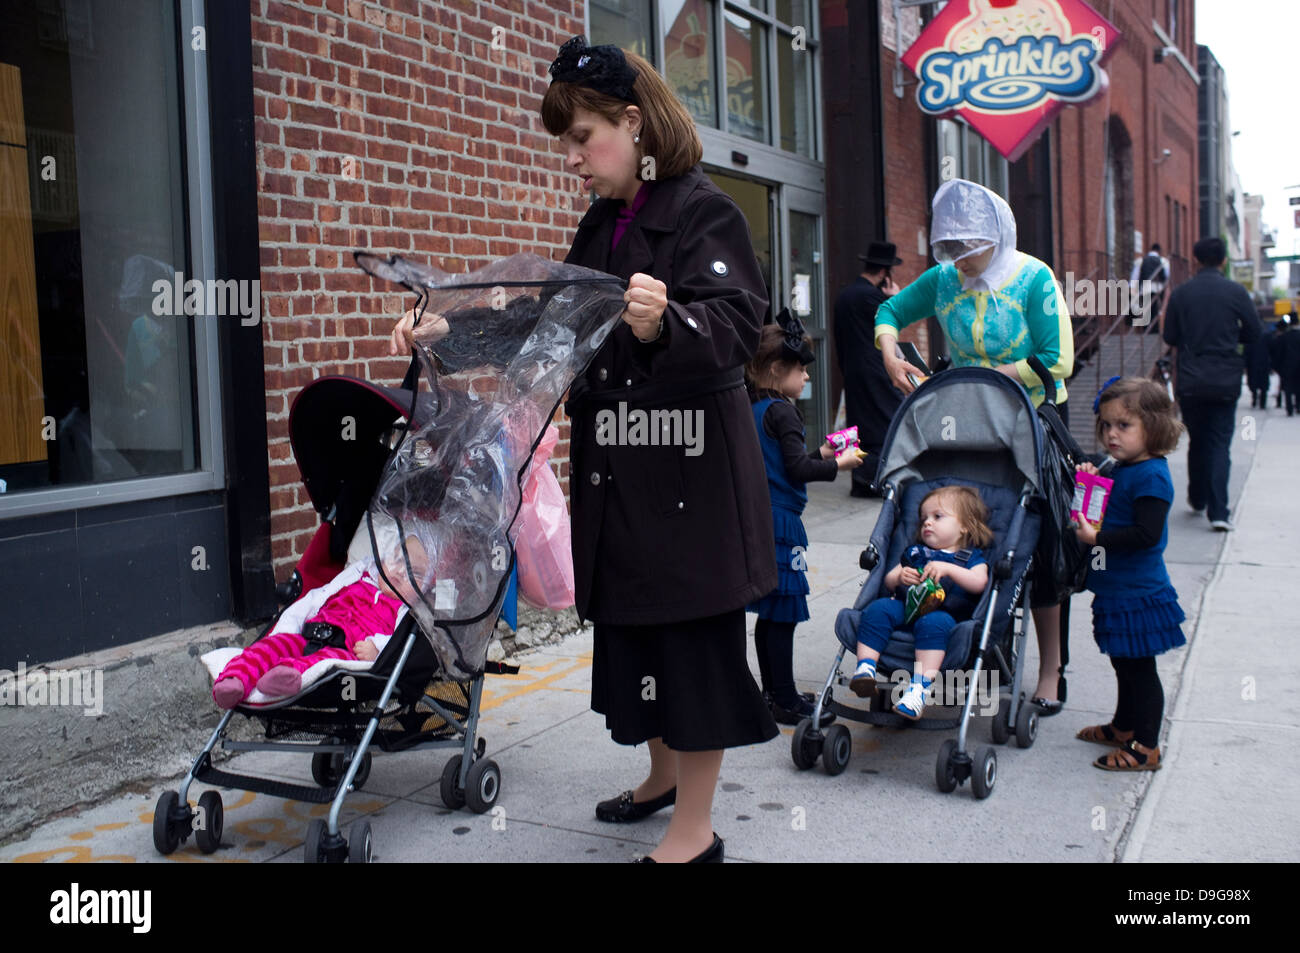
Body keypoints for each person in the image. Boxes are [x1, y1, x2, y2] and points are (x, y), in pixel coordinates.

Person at [393, 36, 776, 863]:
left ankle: (696, 828)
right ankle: (662, 775)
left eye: (582, 138)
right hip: (624, 472)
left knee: (691, 642)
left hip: (690, 476)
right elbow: (547, 323)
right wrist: (447, 331)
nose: (572, 158)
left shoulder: (705, 213)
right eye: (566, 142)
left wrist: (667, 320)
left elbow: (743, 325)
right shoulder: (603, 223)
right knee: (640, 630)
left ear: (633, 124)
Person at [873, 178, 1074, 714]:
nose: (961, 260)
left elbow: (1056, 361)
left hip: (1030, 419)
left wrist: (990, 377)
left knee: (1040, 548)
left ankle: (1051, 668)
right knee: (963, 521)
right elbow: (889, 312)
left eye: (970, 248)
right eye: (951, 249)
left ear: (998, 238)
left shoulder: (1034, 279)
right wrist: (892, 353)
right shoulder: (943, 280)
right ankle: (960, 639)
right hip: (962, 422)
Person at [745, 315, 863, 725]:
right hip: (783, 526)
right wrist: (840, 465)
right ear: (778, 371)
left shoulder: (755, 407)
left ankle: (770, 694)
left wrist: (824, 454)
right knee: (786, 612)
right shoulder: (785, 412)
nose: (807, 375)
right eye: (802, 368)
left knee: (772, 614)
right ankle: (786, 699)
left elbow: (784, 463)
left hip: (760, 520)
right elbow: (797, 470)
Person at [1072, 378, 1186, 771]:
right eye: (1106, 425)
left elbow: (1146, 534)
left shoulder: (1151, 475)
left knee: (1140, 670)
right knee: (1123, 662)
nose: (1111, 434)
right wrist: (1088, 480)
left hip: (1138, 592)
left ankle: (1146, 747)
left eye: (1124, 425)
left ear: (1153, 427)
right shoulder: (1120, 467)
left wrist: (1098, 537)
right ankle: (1123, 726)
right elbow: (1102, 507)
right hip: (1118, 588)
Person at [849, 486, 992, 719]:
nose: (927, 523)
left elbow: (979, 582)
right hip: (906, 609)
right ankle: (865, 668)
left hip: (945, 618)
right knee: (878, 608)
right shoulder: (916, 552)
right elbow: (889, 579)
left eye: (937, 517)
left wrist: (949, 569)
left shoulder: (970, 557)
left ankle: (918, 689)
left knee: (933, 622)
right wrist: (900, 576)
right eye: (923, 518)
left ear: (965, 525)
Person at [1162, 236, 1261, 531]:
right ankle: (1219, 511)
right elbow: (1254, 332)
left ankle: (1198, 497)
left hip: (1191, 377)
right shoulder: (1236, 292)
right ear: (1224, 261)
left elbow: (1169, 337)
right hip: (1225, 377)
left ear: (1195, 260)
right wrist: (1231, 340)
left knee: (1197, 440)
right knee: (1220, 443)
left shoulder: (1181, 294)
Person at [833, 241, 904, 496]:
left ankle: (860, 480)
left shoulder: (846, 294)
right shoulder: (874, 298)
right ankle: (878, 481)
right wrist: (893, 300)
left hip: (853, 371)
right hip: (876, 370)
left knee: (859, 427)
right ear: (885, 273)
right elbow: (891, 326)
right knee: (886, 423)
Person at [1129, 242, 1169, 331]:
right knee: (1156, 309)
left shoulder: (1141, 260)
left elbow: (1135, 276)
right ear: (1159, 251)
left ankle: (1146, 330)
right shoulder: (1163, 261)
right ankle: (1154, 330)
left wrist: (1132, 289)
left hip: (1145, 287)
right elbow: (1167, 276)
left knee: (1146, 309)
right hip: (1158, 288)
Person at [1246, 314, 1276, 409]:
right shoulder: (1267, 336)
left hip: (1253, 363)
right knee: (1263, 384)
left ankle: (1255, 399)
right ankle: (1262, 402)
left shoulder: (1250, 335)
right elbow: (1272, 350)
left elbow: (1246, 350)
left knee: (1253, 383)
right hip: (1263, 363)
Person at [1272, 311, 1300, 416]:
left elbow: (1278, 353)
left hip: (1287, 367)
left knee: (1288, 388)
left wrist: (1276, 367)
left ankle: (1289, 409)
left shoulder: (1284, 337)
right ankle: (1298, 406)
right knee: (1299, 386)